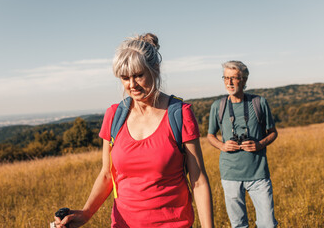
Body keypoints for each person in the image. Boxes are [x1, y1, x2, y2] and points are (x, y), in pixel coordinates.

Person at [53, 33, 214, 228]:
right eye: (125, 77)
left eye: (138, 75)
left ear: (155, 69)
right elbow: (106, 174)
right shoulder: (114, 116)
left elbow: (198, 181)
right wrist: (86, 213)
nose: (132, 84)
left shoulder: (180, 114)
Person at [207, 61, 278, 228]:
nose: (229, 82)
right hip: (230, 175)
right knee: (238, 225)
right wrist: (222, 146)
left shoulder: (259, 102)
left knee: (267, 224)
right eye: (226, 78)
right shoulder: (218, 106)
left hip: (258, 175)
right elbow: (210, 136)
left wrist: (260, 144)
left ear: (244, 80)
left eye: (234, 78)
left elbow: (273, 132)